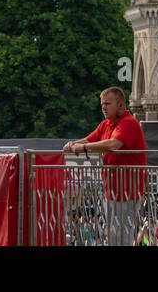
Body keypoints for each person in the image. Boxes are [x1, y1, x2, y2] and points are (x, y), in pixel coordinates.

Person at [62, 87, 147, 246]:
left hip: (128, 191)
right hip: (113, 190)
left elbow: (113, 144)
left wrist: (83, 148)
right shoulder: (106, 124)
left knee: (121, 236)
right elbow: (88, 139)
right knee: (114, 234)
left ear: (121, 105)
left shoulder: (128, 123)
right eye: (102, 104)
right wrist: (73, 144)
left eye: (108, 103)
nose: (103, 107)